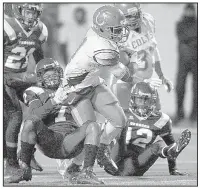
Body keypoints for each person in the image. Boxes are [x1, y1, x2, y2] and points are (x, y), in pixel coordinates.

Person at [53, 5, 134, 183]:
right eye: (116, 29)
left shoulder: (96, 33)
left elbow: (113, 46)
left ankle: (102, 147)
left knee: (119, 120)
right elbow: (125, 75)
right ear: (103, 28)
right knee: (91, 129)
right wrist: (128, 58)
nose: (120, 33)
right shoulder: (102, 49)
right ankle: (80, 169)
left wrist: (120, 49)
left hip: (91, 82)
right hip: (75, 90)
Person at [5, 58, 104, 185]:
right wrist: (54, 101)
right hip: (50, 139)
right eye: (47, 74)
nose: (52, 77)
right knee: (30, 122)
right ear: (40, 77)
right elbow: (34, 115)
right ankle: (24, 169)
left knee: (94, 127)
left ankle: (84, 171)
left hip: (71, 140)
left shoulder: (73, 89)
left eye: (55, 74)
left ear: (61, 74)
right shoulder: (36, 91)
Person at [106, 82, 191, 176]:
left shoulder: (161, 120)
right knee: (118, 130)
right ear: (133, 99)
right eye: (140, 99)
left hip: (137, 163)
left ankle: (165, 151)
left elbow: (171, 145)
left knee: (159, 145)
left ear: (153, 101)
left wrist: (173, 168)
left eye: (146, 100)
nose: (142, 104)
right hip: (116, 160)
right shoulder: (122, 113)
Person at [4, 3, 48, 174]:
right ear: (19, 10)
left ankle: (27, 152)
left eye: (35, 12)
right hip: (4, 75)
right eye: (29, 11)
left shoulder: (40, 30)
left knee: (45, 102)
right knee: (15, 115)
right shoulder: (7, 27)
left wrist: (45, 74)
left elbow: (38, 53)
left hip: (20, 77)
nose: (31, 16)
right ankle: (11, 164)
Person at [112, 3, 173, 113]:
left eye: (135, 14)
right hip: (126, 82)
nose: (133, 19)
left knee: (156, 113)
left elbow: (153, 49)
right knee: (125, 118)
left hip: (146, 81)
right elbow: (118, 69)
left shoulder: (148, 21)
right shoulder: (118, 35)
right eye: (128, 16)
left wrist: (161, 75)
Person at [174, 3, 197, 124]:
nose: (189, 13)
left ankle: (195, 116)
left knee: (196, 89)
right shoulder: (180, 24)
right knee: (179, 88)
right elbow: (183, 36)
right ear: (185, 11)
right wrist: (194, 39)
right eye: (187, 11)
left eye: (191, 11)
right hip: (183, 62)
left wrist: (190, 40)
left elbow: (188, 38)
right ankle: (179, 114)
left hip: (196, 62)